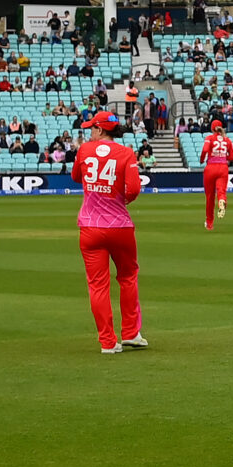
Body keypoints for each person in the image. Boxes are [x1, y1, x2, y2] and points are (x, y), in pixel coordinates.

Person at [73, 110, 147, 353]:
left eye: (92, 128)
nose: (90, 132)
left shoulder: (84, 150)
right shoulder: (126, 153)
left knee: (97, 285)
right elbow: (135, 188)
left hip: (90, 226)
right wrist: (121, 201)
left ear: (100, 130)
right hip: (120, 226)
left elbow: (76, 177)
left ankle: (107, 342)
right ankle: (130, 333)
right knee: (128, 277)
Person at [199, 118, 233, 231]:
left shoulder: (209, 138)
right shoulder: (227, 140)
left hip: (210, 167)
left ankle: (209, 223)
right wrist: (224, 157)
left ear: (212, 127)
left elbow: (205, 150)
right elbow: (232, 157)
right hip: (223, 167)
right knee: (221, 191)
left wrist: (201, 160)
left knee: (209, 196)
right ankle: (222, 200)